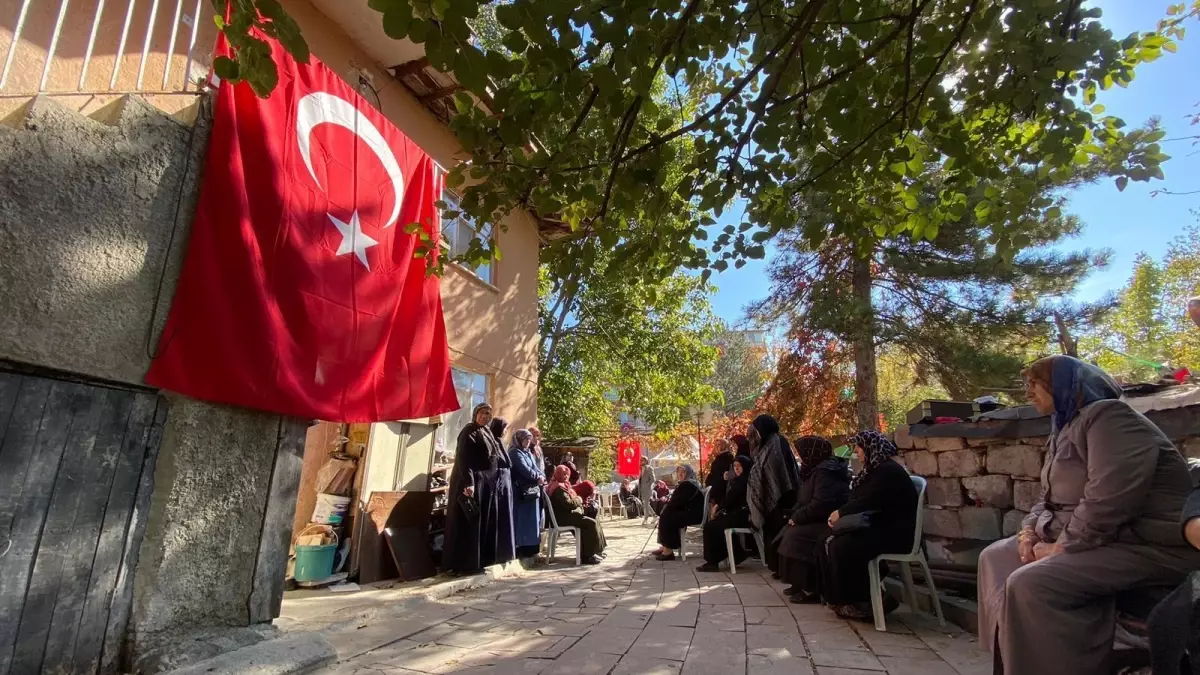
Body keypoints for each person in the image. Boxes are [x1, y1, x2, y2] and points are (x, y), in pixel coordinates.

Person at [977, 356, 1200, 675]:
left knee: (1034, 582)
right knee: (996, 557)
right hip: (1099, 539)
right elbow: (1047, 499)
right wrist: (1029, 533)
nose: (1028, 393)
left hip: (1144, 545)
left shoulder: (1110, 417)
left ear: (1067, 386)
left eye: (1035, 384)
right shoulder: (1064, 428)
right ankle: (1014, 661)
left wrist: (1060, 548)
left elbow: (1111, 499)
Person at [817, 430, 916, 620]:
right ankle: (838, 599)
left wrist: (841, 514)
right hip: (879, 527)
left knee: (842, 546)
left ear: (871, 448)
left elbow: (869, 500)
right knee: (825, 539)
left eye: (859, 447)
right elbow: (859, 499)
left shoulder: (887, 471)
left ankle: (860, 602)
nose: (857, 452)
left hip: (895, 533)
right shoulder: (874, 470)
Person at [443, 404, 516, 573]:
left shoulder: (486, 432)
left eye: (489, 414)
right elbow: (463, 459)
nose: (486, 416)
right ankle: (465, 565)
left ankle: (479, 561)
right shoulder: (469, 432)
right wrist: (469, 483)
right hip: (472, 484)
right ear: (475, 414)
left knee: (482, 523)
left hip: (485, 485)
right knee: (469, 525)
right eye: (483, 413)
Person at [777, 436, 850, 603]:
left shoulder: (826, 473)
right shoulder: (815, 470)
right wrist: (794, 515)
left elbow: (821, 504)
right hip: (816, 517)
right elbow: (804, 499)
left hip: (827, 520)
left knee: (797, 536)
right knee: (787, 532)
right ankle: (798, 582)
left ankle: (810, 587)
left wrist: (798, 518)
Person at [747, 415, 801, 573]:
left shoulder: (777, 442)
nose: (755, 433)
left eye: (757, 429)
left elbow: (777, 470)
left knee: (779, 533)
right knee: (771, 532)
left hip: (783, 496)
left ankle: (783, 569)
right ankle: (776, 567)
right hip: (770, 496)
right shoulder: (766, 443)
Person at [696, 454, 753, 571]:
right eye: (735, 466)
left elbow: (731, 499)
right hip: (739, 513)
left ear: (745, 467)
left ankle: (712, 561)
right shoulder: (739, 480)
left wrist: (718, 507)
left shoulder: (744, 481)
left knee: (710, 527)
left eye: (739, 466)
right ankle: (738, 554)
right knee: (717, 524)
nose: (736, 468)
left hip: (744, 515)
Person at [546, 465, 606, 564]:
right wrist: (579, 499)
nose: (565, 476)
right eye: (563, 474)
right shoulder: (558, 489)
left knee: (593, 520)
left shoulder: (562, 485)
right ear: (557, 474)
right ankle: (587, 556)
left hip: (567, 515)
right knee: (590, 523)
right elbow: (569, 504)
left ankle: (597, 551)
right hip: (562, 518)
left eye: (567, 474)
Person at [651, 465, 706, 560]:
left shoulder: (689, 484)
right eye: (679, 472)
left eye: (683, 472)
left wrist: (667, 505)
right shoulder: (685, 484)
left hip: (693, 515)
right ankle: (666, 547)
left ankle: (668, 551)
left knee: (667, 515)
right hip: (689, 512)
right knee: (667, 513)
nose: (680, 474)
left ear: (688, 473)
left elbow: (678, 501)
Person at [508, 428, 544, 559]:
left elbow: (535, 467)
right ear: (519, 439)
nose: (528, 442)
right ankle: (522, 546)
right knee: (523, 520)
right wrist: (537, 477)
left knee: (533, 520)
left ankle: (532, 547)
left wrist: (541, 476)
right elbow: (524, 469)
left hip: (532, 491)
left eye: (529, 440)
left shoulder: (527, 452)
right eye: (525, 439)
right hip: (521, 491)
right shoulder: (514, 453)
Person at [705, 438, 736, 516]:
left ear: (724, 445)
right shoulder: (718, 458)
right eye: (716, 445)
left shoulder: (728, 457)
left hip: (721, 489)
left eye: (719, 445)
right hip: (715, 489)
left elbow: (725, 474)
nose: (717, 447)